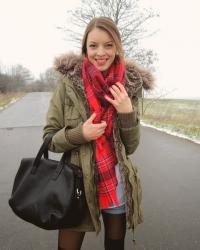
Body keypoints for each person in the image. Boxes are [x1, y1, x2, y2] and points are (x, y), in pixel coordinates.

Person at [43, 16, 154, 250]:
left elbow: (130, 147)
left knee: (115, 245)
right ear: (85, 48)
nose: (100, 52)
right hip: (76, 184)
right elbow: (49, 140)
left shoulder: (128, 86)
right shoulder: (68, 85)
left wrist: (126, 112)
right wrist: (80, 134)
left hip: (115, 181)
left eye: (108, 45)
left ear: (117, 47)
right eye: (93, 46)